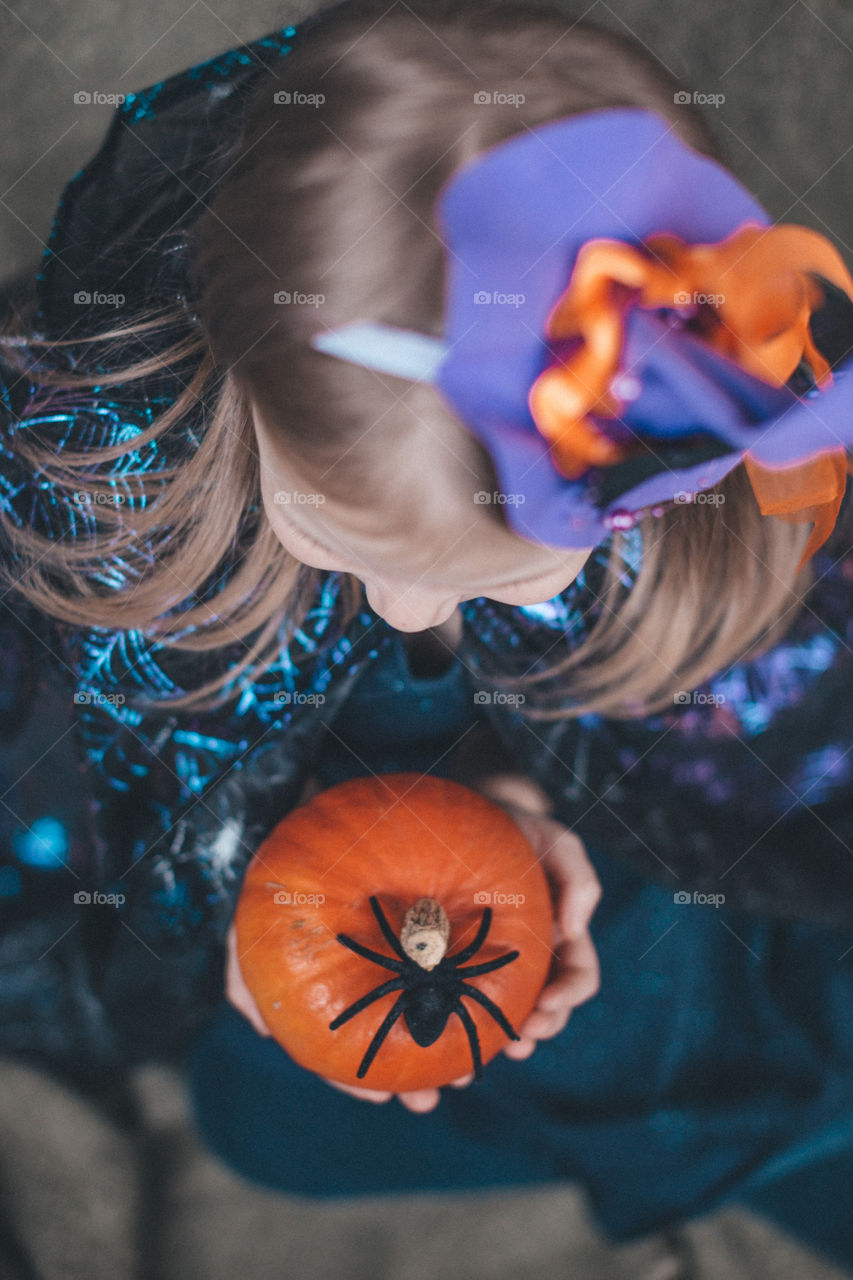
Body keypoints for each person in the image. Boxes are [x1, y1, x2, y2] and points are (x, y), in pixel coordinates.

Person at [3, 0, 853, 1261]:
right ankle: (752, 1122)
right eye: (344, 551)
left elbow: (748, 763)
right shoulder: (110, 486)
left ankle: (732, 1119)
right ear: (238, 381)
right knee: (265, 1116)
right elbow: (134, 799)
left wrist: (504, 789)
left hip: (606, 860)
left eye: (508, 582)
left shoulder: (682, 462)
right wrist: (252, 910)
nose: (408, 615)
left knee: (646, 980)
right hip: (333, 910)